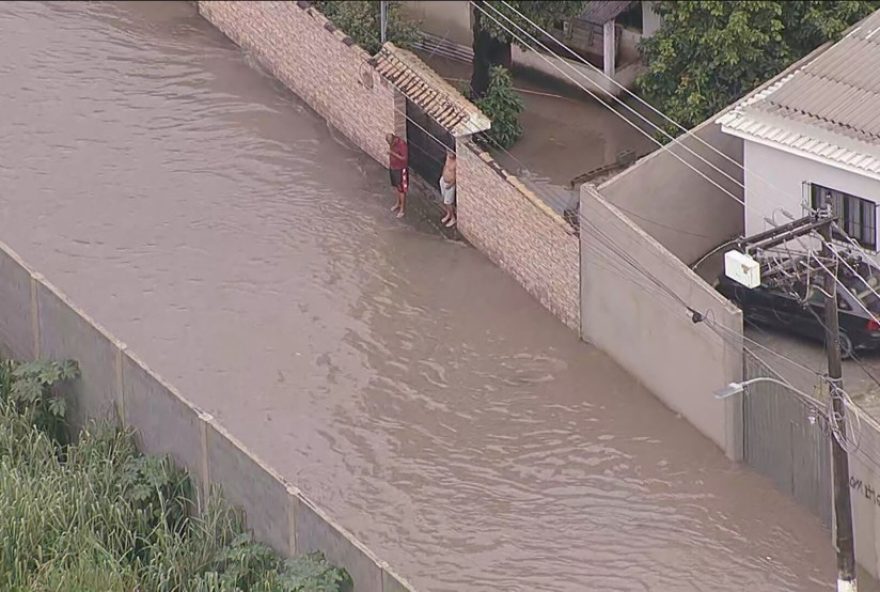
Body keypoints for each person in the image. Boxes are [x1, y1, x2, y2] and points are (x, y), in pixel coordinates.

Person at [387, 133, 408, 219]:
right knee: (396, 186)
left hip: (400, 169)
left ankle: (402, 209)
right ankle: (398, 203)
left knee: (401, 189)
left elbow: (404, 158)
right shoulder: (392, 144)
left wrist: (392, 153)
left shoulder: (402, 145)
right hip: (393, 167)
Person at [439, 151, 457, 227]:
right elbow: (445, 167)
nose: (449, 154)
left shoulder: (456, 162)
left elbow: (456, 175)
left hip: (450, 184)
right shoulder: (447, 157)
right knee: (444, 199)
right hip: (443, 180)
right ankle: (448, 214)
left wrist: (451, 184)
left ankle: (453, 218)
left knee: (448, 202)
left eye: (451, 153)